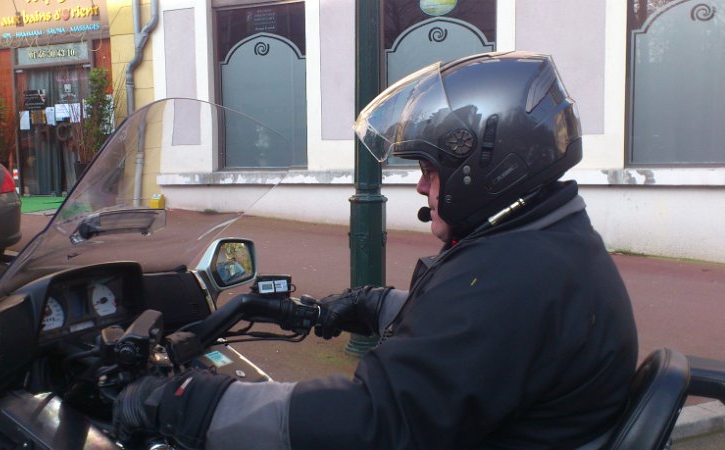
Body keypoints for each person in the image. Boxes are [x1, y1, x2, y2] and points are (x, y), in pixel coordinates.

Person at [113, 51, 638, 449]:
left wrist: (190, 403)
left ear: (485, 169)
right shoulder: (548, 245)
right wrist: (366, 305)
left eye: (430, 169)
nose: (421, 186)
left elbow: (372, 422)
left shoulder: (513, 280)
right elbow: (462, 335)